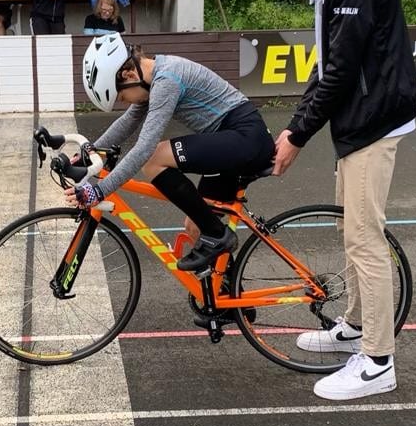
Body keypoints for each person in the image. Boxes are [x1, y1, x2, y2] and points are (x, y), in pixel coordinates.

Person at [260, 0, 416, 402]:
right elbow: (330, 64)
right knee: (350, 229)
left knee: (365, 241)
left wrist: (297, 135)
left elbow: (343, 69)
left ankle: (377, 362)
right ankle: (354, 328)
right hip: (358, 122)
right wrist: (296, 125)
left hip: (373, 121)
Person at [66, 34, 275, 282]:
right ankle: (228, 299)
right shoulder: (151, 77)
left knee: (154, 158)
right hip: (231, 139)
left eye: (121, 97)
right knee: (195, 226)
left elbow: (144, 148)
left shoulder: (166, 80)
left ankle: (218, 235)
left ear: (129, 75)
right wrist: (88, 152)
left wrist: (99, 191)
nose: (124, 102)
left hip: (244, 136)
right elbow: (129, 121)